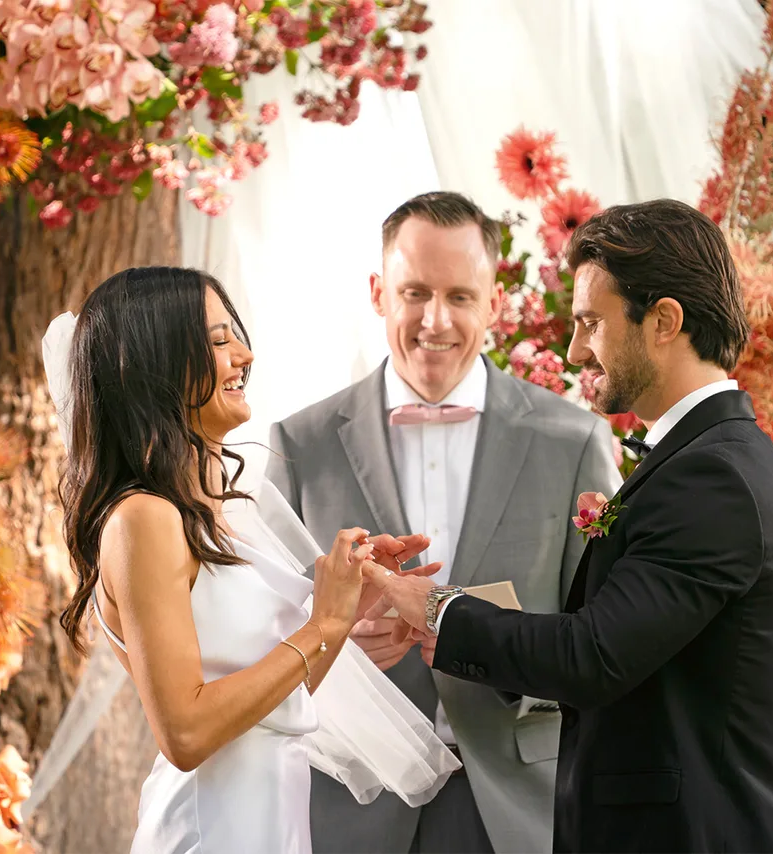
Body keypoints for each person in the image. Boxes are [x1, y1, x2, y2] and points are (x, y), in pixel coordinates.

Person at [368, 199, 773, 853]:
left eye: (590, 324)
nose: (575, 350)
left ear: (664, 321)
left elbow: (593, 656)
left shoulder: (712, 479)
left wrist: (435, 608)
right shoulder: (701, 459)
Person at [43, 267, 458, 854]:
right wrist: (324, 624)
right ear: (157, 362)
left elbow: (278, 703)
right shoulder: (144, 518)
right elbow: (184, 734)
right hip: (208, 828)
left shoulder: (212, 512)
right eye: (217, 341)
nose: (245, 353)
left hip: (272, 827)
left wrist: (346, 604)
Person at [266, 192, 622, 854]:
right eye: (414, 292)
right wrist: (335, 646)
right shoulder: (298, 445)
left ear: (493, 303)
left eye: (460, 296)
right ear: (379, 293)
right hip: (351, 803)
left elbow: (605, 640)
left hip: (520, 804)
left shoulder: (573, 442)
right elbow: (260, 635)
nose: (436, 319)